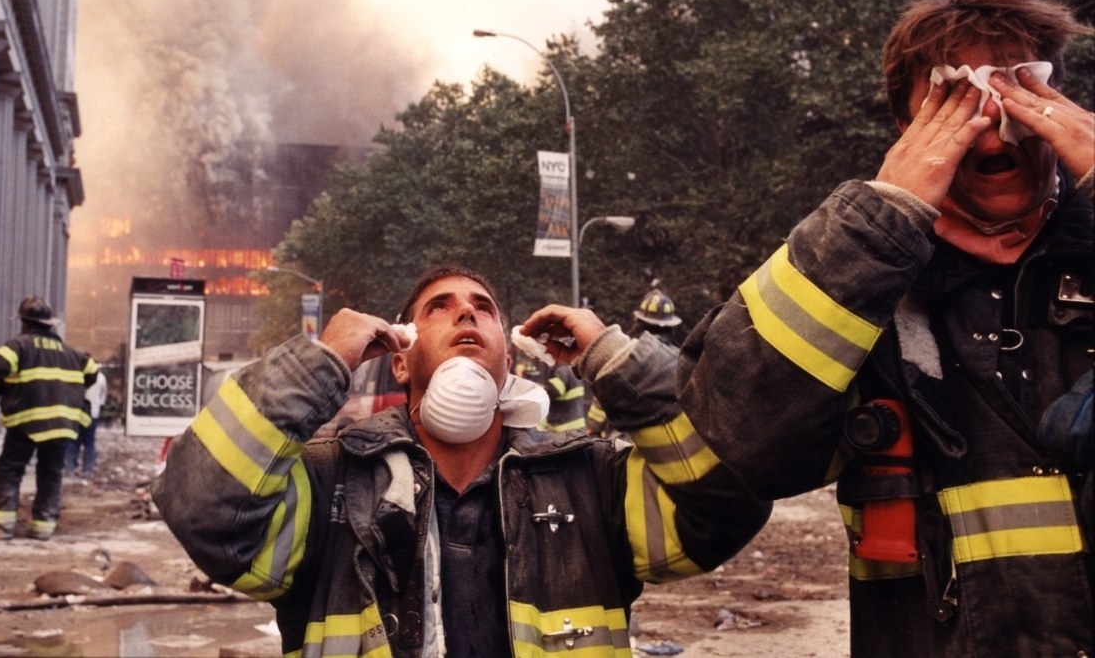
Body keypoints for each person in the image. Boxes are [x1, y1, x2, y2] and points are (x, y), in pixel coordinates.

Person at [665, 0, 1094, 655]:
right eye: (956, 100)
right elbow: (731, 434)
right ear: (907, 127)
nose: (990, 135)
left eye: (1014, 91)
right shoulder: (859, 283)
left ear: (1056, 102)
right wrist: (879, 219)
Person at [152, 265, 770, 655]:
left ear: (513, 356)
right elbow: (203, 507)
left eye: (483, 307)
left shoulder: (592, 484)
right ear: (399, 356)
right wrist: (322, 361)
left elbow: (732, 488)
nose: (466, 311)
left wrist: (613, 356)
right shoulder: (328, 485)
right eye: (438, 307)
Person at [0, 296, 98, 540]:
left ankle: (4, 526)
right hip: (62, 424)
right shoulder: (73, 353)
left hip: (26, 421)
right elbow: (92, 372)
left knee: (9, 469)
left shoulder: (17, 347)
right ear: (50, 324)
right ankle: (43, 526)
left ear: (25, 323)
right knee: (50, 473)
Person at [588, 285, 683, 438]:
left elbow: (604, 395)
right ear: (671, 326)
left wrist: (594, 427)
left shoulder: (627, 356)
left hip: (625, 439)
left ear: (639, 321)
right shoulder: (678, 358)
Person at [66, 367, 108, 477]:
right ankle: (88, 468)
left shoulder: (77, 375)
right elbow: (103, 397)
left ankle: (70, 467)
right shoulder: (101, 377)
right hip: (93, 414)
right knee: (89, 442)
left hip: (77, 414)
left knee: (74, 441)